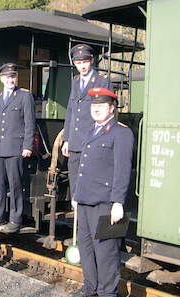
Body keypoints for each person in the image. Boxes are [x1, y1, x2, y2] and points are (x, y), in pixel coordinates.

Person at [69, 87, 134, 297]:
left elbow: (122, 170)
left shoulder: (121, 133)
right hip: (86, 198)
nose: (96, 109)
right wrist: (76, 195)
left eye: (101, 106)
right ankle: (90, 286)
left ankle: (108, 295)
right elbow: (83, 168)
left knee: (106, 250)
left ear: (112, 108)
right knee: (86, 247)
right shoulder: (90, 130)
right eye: (93, 106)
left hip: (106, 202)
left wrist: (118, 202)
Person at [62, 43, 113, 246]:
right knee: (77, 192)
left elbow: (109, 113)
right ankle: (81, 234)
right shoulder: (76, 83)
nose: (82, 66)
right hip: (75, 143)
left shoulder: (102, 81)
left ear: (92, 61)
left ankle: (93, 236)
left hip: (93, 142)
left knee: (93, 190)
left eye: (85, 62)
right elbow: (71, 112)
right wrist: (66, 139)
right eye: (78, 63)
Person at [0, 63, 36, 233]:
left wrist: (27, 145)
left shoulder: (24, 96)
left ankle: (15, 219)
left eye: (12, 76)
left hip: (15, 148)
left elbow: (29, 123)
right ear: (1, 79)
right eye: (7, 77)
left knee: (16, 186)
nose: (10, 79)